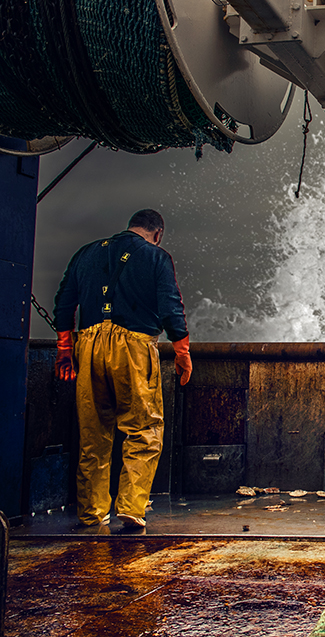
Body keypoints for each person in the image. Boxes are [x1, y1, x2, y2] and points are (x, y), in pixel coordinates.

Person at [53, 209, 192, 529]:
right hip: (133, 345)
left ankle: (92, 511)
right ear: (157, 234)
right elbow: (171, 307)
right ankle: (131, 506)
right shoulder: (157, 257)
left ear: (130, 227)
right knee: (143, 429)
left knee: (93, 433)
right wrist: (182, 352)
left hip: (87, 345)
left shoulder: (85, 253)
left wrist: (65, 349)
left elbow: (63, 304)